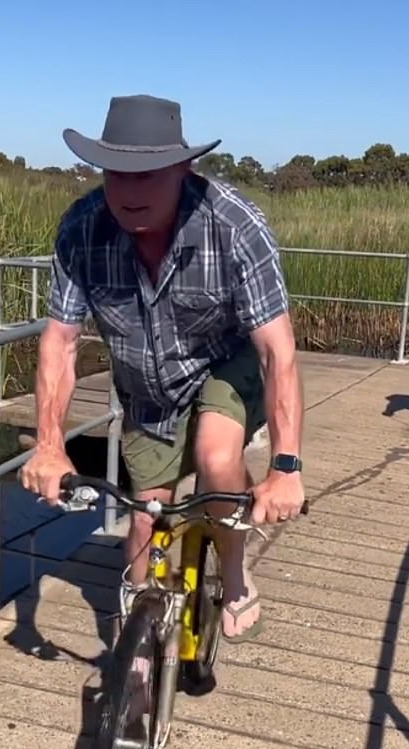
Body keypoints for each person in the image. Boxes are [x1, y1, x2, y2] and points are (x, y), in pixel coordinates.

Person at [20, 94, 305, 641]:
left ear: (183, 168)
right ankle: (139, 661)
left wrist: (285, 466)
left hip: (228, 363)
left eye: (147, 175)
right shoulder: (81, 228)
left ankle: (236, 572)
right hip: (147, 387)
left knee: (217, 455)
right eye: (115, 175)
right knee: (146, 521)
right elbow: (60, 342)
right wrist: (50, 444)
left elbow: (277, 351)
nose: (128, 192)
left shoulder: (234, 225)